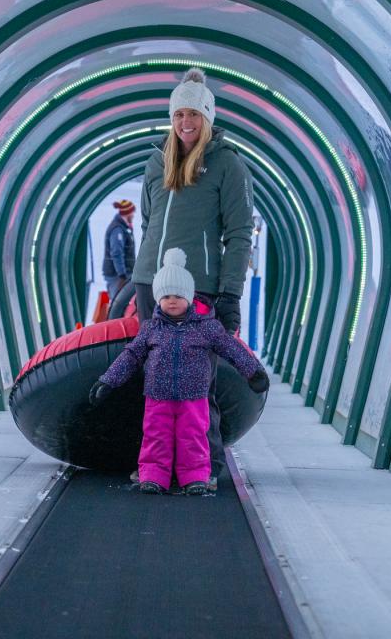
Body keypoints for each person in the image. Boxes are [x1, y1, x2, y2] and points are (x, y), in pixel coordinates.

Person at [130, 66, 255, 487]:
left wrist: (230, 294)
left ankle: (205, 469)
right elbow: (149, 223)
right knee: (154, 380)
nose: (186, 123)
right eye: (180, 114)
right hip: (152, 284)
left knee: (199, 384)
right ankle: (154, 467)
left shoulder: (227, 165)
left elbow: (239, 234)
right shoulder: (155, 161)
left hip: (200, 284)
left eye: (194, 115)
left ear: (208, 118)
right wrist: (139, 276)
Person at [89, 249, 269, 494]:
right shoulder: (151, 329)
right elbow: (130, 356)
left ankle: (195, 477)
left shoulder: (207, 328)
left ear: (189, 297)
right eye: (165, 296)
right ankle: (153, 476)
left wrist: (253, 372)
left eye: (177, 295)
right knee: (156, 436)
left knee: (192, 437)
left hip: (193, 396)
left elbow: (231, 349)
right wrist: (108, 381)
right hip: (158, 395)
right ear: (158, 299)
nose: (171, 301)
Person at [102, 199, 136, 299]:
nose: (133, 215)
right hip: (117, 276)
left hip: (123, 274)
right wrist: (122, 274)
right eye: (132, 212)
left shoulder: (124, 227)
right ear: (128, 213)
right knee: (117, 302)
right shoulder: (118, 230)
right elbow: (116, 253)